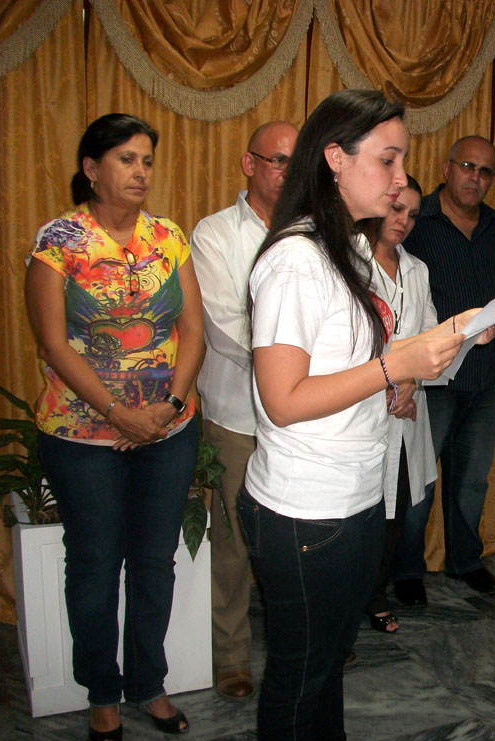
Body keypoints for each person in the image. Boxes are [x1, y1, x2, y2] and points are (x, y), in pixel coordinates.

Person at [235, 90, 495, 741]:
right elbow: (284, 400)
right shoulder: (294, 260)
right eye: (389, 160)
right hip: (304, 509)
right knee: (301, 677)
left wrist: (445, 339)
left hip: (353, 495)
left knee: (326, 669)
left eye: (402, 161)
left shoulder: (347, 251)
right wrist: (393, 365)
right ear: (334, 159)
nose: (403, 180)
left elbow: (359, 368)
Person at [25, 113, 205, 741]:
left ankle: (148, 682)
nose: (140, 172)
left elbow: (193, 330)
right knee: (97, 563)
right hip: (82, 435)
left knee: (155, 561)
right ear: (92, 168)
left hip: (168, 427)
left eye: (147, 160)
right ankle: (102, 691)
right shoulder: (61, 239)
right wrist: (117, 413)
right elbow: (52, 341)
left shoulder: (168, 235)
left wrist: (168, 404)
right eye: (126, 159)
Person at [189, 121, 298, 700]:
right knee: (232, 543)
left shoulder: (313, 233)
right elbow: (226, 326)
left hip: (305, 418)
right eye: (276, 159)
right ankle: (231, 656)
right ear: (248, 163)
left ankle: (296, 643)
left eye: (295, 161)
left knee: (294, 539)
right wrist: (295, 365)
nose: (286, 170)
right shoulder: (215, 234)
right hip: (237, 415)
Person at [398, 135, 495, 598]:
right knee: (419, 483)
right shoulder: (414, 219)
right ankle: (407, 571)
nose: (476, 178)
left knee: (471, 480)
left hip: (484, 375)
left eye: (486, 171)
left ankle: (465, 561)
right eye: (468, 166)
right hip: (432, 379)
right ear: (446, 168)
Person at [362, 175, 439, 630]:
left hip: (407, 412)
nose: (403, 221)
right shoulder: (347, 260)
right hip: (362, 409)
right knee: (361, 513)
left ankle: (374, 596)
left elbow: (430, 336)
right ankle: (347, 602)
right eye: (396, 210)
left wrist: (410, 385)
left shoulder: (418, 270)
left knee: (396, 509)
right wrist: (393, 382)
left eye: (412, 214)